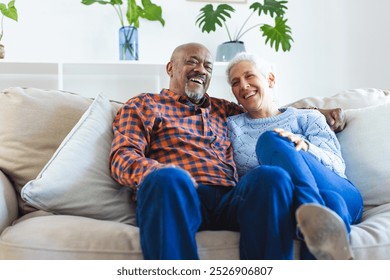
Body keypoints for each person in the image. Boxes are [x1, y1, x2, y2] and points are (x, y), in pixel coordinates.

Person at [109, 42, 347, 260]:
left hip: (231, 198)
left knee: (271, 177)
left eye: (207, 66)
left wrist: (316, 112)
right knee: (166, 179)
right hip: (180, 193)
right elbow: (123, 156)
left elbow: (266, 110)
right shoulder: (144, 104)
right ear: (171, 68)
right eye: (192, 61)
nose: (201, 70)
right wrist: (162, 170)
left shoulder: (223, 109)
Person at [226, 52, 363, 259]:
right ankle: (316, 219)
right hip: (290, 204)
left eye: (249, 76)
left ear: (270, 79)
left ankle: (311, 207)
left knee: (271, 140)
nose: (243, 85)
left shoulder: (308, 117)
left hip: (339, 188)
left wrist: (305, 148)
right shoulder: (231, 127)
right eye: (236, 82)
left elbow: (337, 167)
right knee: (332, 203)